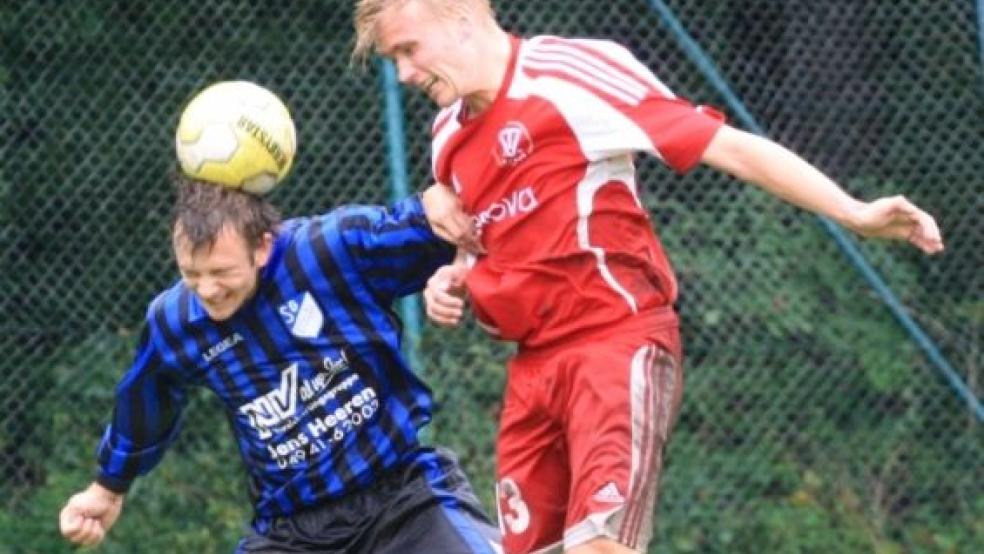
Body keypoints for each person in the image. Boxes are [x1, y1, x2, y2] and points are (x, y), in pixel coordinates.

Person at [352, 1, 945, 553]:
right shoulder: (447, 138)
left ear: (461, 14)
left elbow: (733, 149)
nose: (403, 74)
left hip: (616, 345)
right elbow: (479, 241)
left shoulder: (568, 77)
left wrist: (854, 212)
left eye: (409, 49)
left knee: (600, 546)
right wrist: (453, 280)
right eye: (392, 60)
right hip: (533, 376)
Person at [58, 176, 500, 553]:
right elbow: (145, 403)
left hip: (403, 496)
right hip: (291, 532)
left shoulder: (327, 251)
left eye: (222, 272)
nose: (207, 290)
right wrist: (107, 488)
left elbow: (448, 227)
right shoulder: (175, 322)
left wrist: (442, 208)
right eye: (192, 275)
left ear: (263, 247)